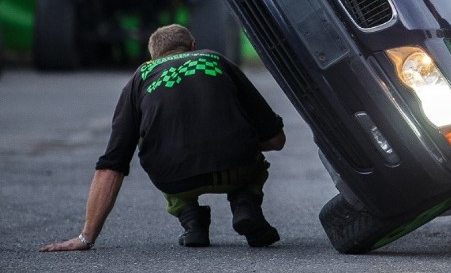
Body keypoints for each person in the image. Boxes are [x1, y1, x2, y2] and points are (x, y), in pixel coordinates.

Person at [40, 24, 286, 251]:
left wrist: (86, 237)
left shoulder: (142, 76)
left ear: (153, 56)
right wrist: (244, 142)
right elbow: (276, 138)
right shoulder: (213, 59)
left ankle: (192, 221)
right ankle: (245, 203)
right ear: (192, 46)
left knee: (153, 140)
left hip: (175, 176)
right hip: (236, 168)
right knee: (252, 159)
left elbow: (112, 163)